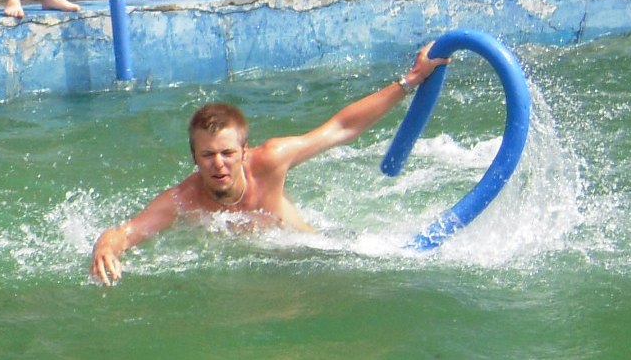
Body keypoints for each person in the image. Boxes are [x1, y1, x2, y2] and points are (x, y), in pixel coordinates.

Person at [90, 40, 448, 285]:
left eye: (228, 153)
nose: (218, 164)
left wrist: (411, 79)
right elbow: (126, 232)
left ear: (244, 152)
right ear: (194, 158)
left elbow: (341, 128)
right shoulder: (184, 199)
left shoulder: (270, 160)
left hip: (315, 256)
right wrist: (105, 247)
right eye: (208, 155)